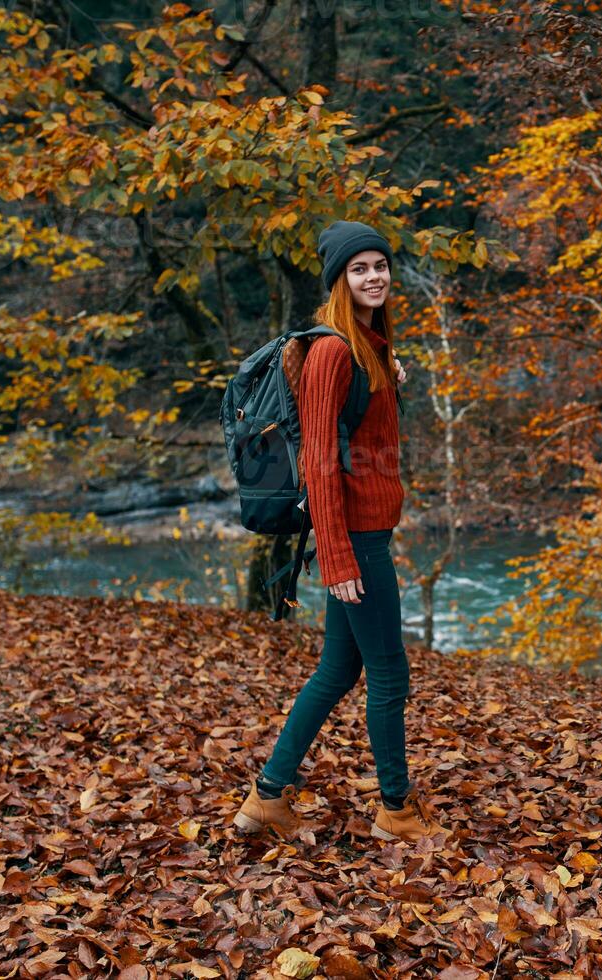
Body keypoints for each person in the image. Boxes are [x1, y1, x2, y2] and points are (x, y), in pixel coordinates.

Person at [231, 219, 447, 845]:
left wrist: (388, 374)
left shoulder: (368, 349)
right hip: (356, 540)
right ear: (339, 280)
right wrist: (337, 557)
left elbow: (363, 434)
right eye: (359, 269)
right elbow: (321, 460)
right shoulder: (331, 352)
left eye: (380, 265)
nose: (374, 276)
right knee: (389, 675)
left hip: (364, 530)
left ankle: (266, 798)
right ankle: (396, 810)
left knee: (335, 672)